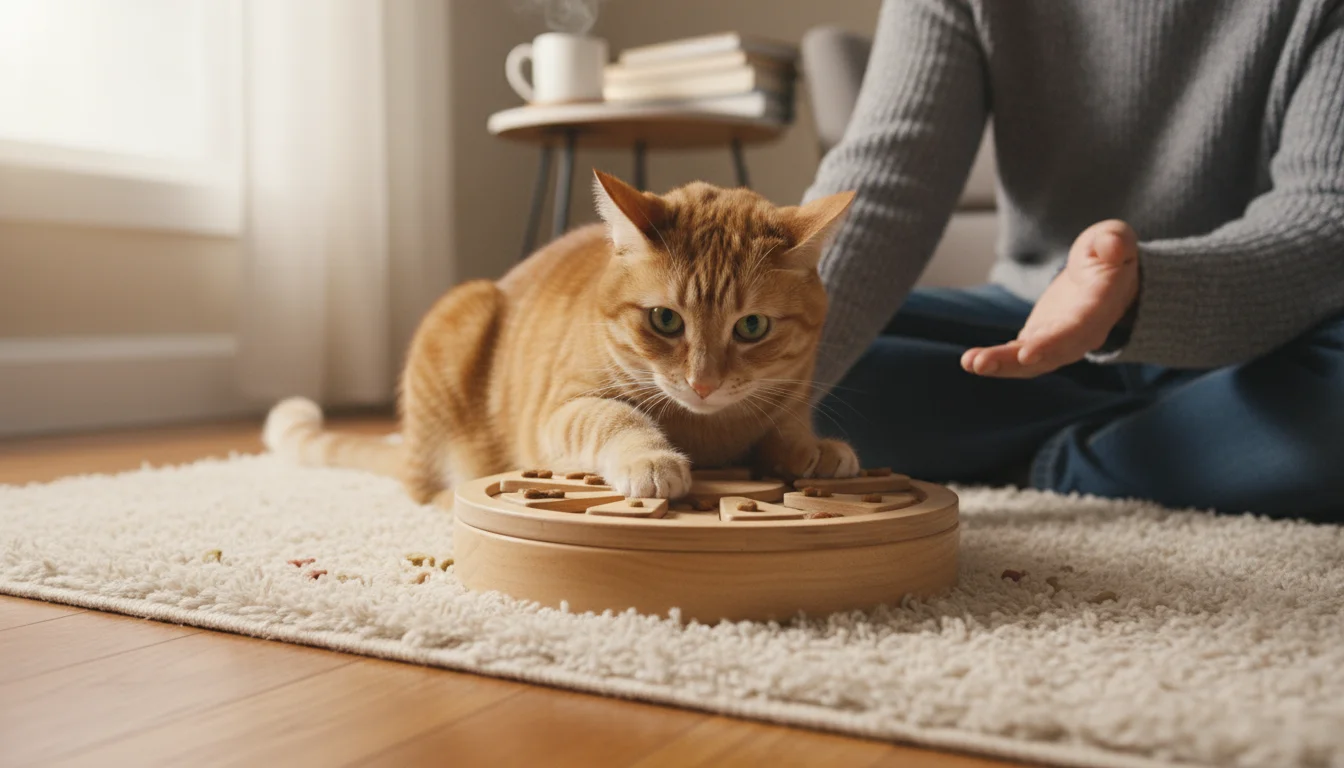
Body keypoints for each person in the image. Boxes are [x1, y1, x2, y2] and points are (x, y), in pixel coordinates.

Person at [802, 0, 1344, 521]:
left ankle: (1048, 463)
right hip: (1025, 327)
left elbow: (1326, 208)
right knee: (766, 362)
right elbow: (889, 180)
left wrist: (1139, 297)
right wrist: (762, 402)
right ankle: (1190, 446)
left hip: (1269, 332)